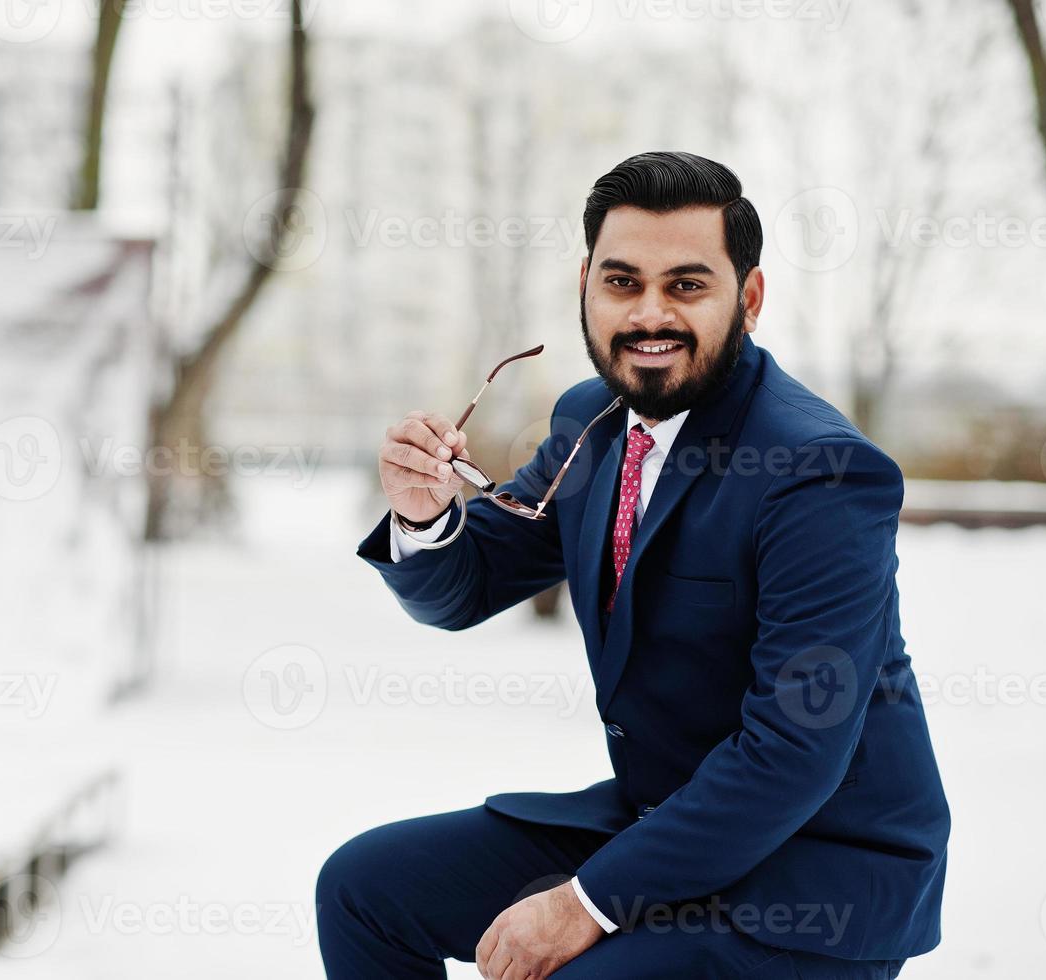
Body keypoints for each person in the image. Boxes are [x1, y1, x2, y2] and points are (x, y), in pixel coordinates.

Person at [317, 151, 950, 979]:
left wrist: (584, 903)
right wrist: (422, 515)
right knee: (364, 887)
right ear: (586, 285)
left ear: (748, 299)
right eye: (622, 282)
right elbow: (464, 589)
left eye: (687, 285)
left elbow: (792, 752)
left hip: (815, 869)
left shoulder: (819, 471)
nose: (649, 313)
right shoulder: (592, 419)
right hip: (661, 822)